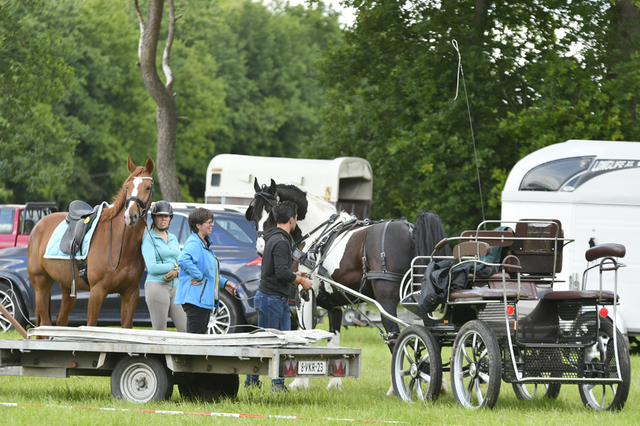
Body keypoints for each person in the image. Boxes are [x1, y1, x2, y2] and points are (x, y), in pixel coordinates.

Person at [245, 200, 313, 392]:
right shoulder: (282, 241)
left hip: (276, 298)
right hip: (271, 299)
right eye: (296, 218)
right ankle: (253, 381)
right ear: (292, 219)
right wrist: (302, 282)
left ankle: (276, 383)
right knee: (266, 344)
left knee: (280, 343)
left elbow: (277, 270)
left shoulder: (273, 238)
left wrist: (297, 275)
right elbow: (283, 272)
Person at [175, 207, 237, 334]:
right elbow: (182, 260)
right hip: (195, 299)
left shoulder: (204, 243)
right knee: (195, 340)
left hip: (202, 300)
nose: (212, 225)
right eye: (209, 222)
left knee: (200, 338)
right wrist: (198, 277)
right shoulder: (194, 243)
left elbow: (208, 271)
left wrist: (224, 283)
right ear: (198, 225)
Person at [141, 201, 187, 332]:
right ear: (154, 217)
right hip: (157, 286)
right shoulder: (148, 239)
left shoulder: (172, 237)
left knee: (186, 329)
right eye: (159, 216)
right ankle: (158, 353)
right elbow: (152, 267)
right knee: (160, 330)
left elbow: (181, 262)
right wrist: (173, 265)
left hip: (176, 286)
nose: (163, 219)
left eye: (166, 216)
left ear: (170, 218)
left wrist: (179, 270)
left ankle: (182, 353)